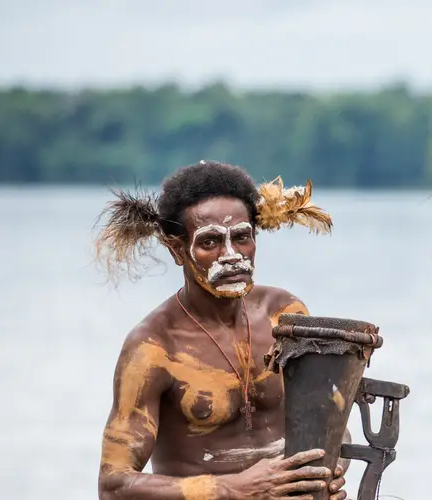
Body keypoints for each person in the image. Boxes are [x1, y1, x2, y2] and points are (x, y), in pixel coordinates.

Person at [93, 160, 350, 499]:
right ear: (177, 250)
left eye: (242, 237)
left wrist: (327, 470)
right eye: (210, 241)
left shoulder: (285, 315)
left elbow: (330, 419)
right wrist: (230, 489)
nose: (231, 255)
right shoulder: (153, 346)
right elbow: (113, 485)